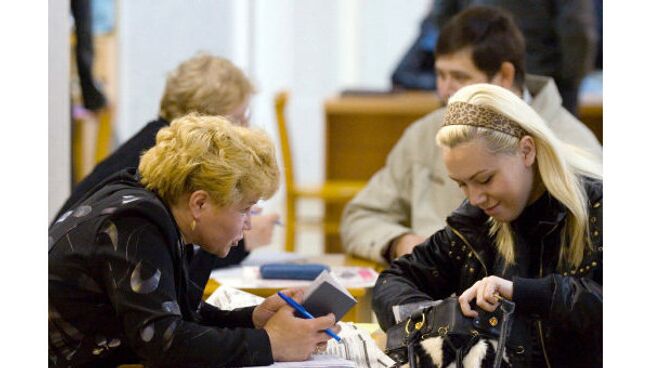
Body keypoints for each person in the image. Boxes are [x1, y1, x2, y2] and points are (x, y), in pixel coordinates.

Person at [49, 114, 339, 367]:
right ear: (199, 203)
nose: (249, 223)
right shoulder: (134, 225)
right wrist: (271, 343)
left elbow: (177, 314)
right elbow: (165, 345)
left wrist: (253, 319)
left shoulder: (152, 206)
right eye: (244, 209)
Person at [341, 5, 602, 264]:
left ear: (505, 76)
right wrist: (400, 242)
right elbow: (361, 217)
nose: (445, 91)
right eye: (440, 75)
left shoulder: (573, 144)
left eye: (459, 77)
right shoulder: (425, 134)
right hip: (431, 295)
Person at [372, 83, 602, 367]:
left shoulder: (599, 209)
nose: (475, 197)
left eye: (484, 179)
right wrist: (438, 320)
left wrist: (520, 292)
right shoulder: (475, 222)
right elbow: (393, 281)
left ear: (526, 151)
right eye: (462, 184)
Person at [55, 53, 278, 272]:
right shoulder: (166, 162)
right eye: (241, 117)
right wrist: (243, 242)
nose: (246, 127)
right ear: (212, 124)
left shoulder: (153, 143)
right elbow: (163, 259)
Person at [433, 0, 596, 115]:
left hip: (473, 67)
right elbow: (576, 29)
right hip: (544, 80)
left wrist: (460, 55)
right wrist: (569, 80)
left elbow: (442, 14)